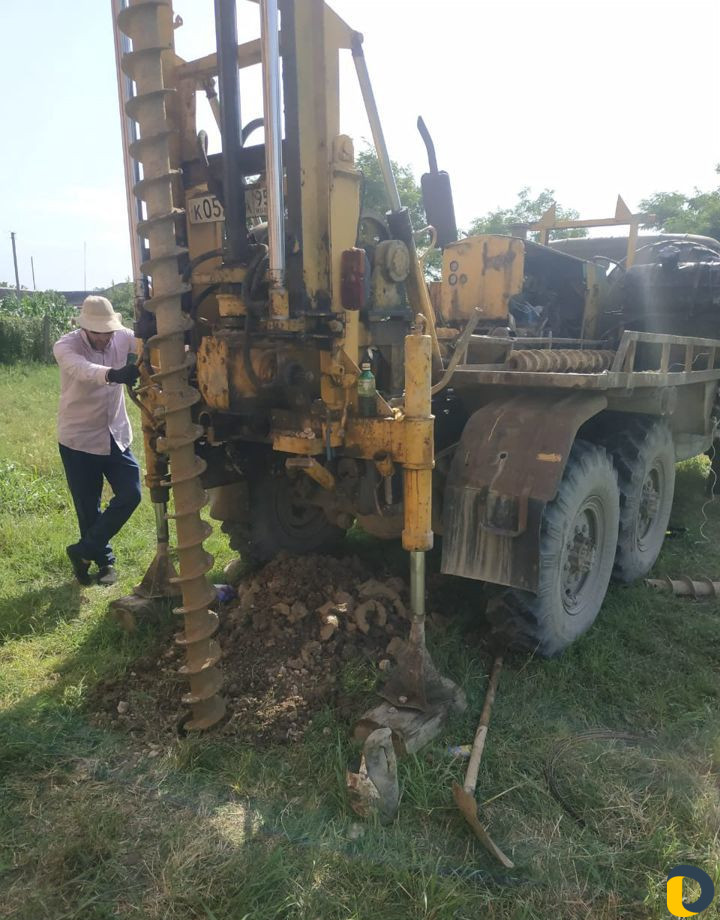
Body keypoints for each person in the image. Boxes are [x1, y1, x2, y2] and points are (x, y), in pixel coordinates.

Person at [53, 295, 143, 586]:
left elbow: (150, 344)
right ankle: (105, 563)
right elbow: (82, 369)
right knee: (88, 506)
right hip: (79, 439)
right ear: (85, 329)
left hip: (115, 434)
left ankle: (82, 551)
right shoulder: (66, 346)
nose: (106, 338)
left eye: (109, 332)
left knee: (132, 493)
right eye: (98, 333)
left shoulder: (121, 337)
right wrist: (115, 374)